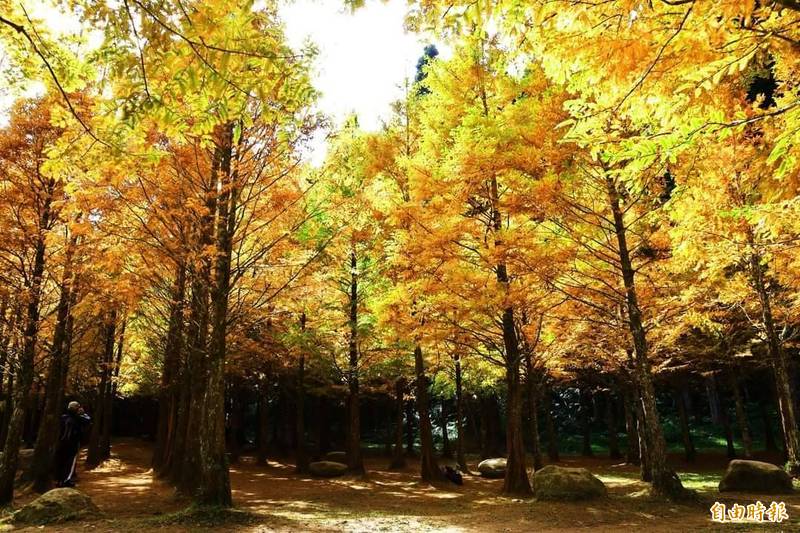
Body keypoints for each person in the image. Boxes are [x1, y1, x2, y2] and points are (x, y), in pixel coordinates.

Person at [54, 401, 91, 488]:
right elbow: (88, 420)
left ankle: (59, 480)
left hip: (61, 443)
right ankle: (66, 480)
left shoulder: (63, 417)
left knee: (61, 462)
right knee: (70, 462)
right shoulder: (78, 418)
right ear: (76, 409)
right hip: (72, 443)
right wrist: (83, 413)